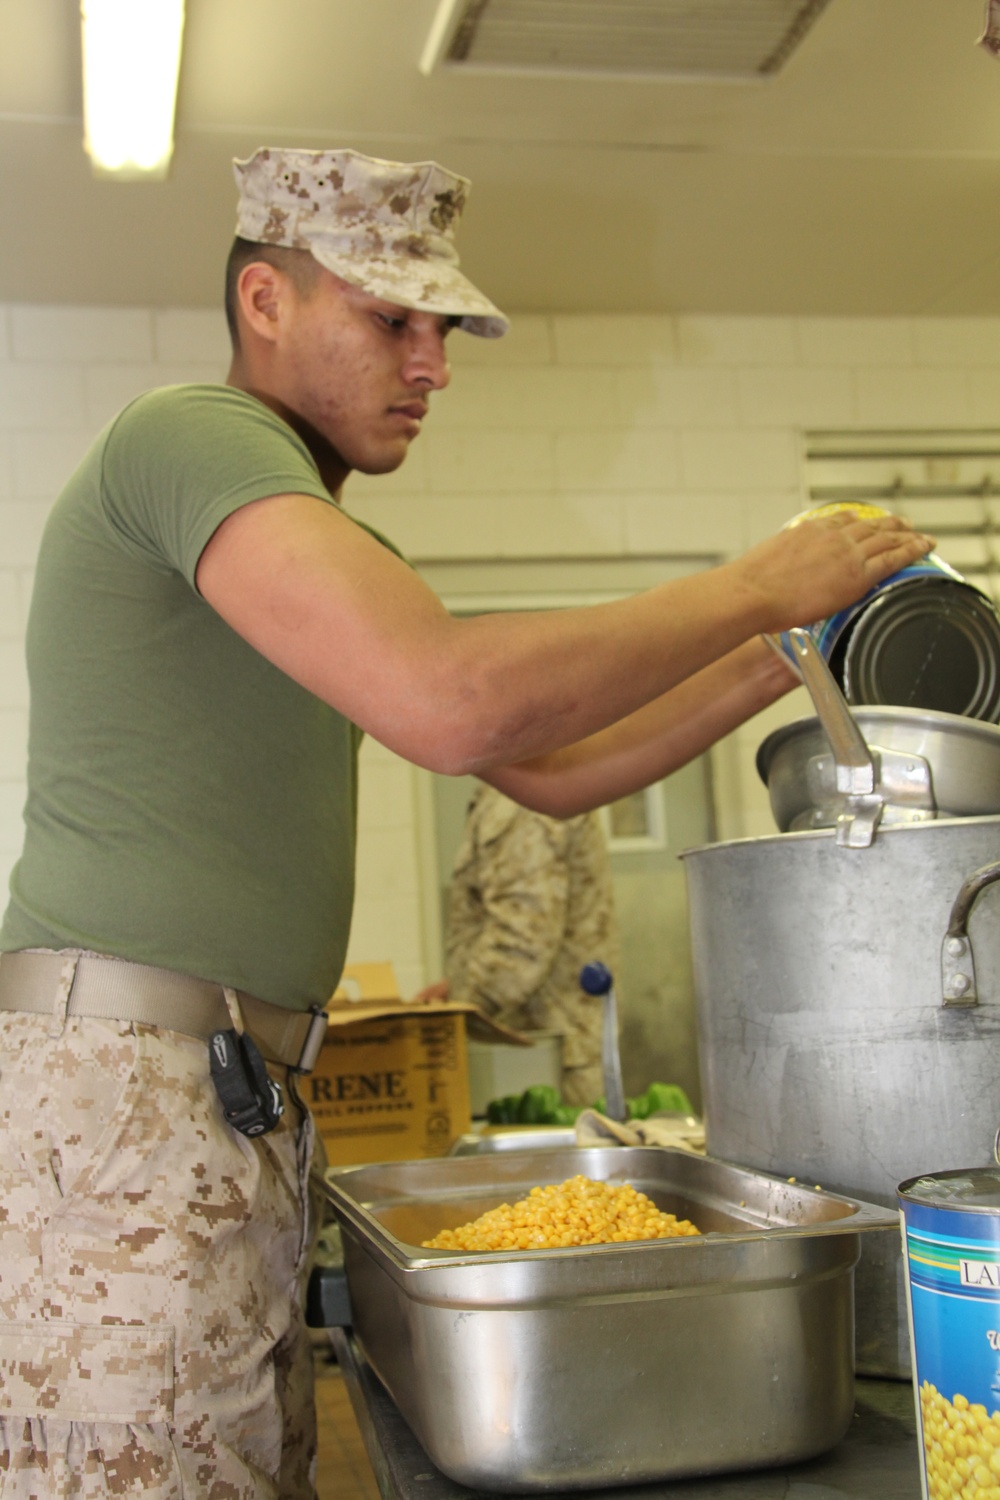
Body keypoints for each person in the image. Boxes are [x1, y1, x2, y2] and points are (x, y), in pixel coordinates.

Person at [0, 144, 934, 1500]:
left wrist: (792, 644)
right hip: (122, 1098)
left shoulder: (328, 545)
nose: (431, 362)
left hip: (221, 1098)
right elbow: (452, 702)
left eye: (443, 330)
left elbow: (558, 762)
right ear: (264, 300)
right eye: (392, 321)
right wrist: (748, 585)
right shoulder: (192, 439)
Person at [428, 781, 619, 1106]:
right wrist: (455, 986)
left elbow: (522, 940)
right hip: (546, 1051)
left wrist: (454, 1016)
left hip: (545, 1063)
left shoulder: (522, 802)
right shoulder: (531, 783)